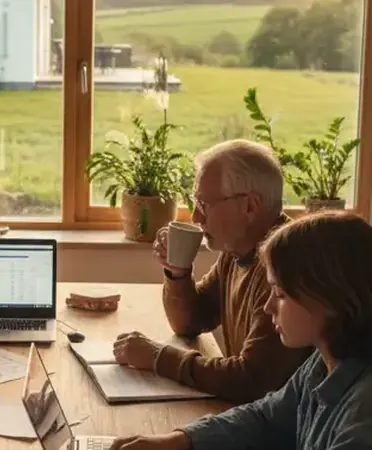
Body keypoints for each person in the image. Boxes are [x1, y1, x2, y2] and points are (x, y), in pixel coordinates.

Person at [109, 211, 372, 450]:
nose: (268, 307)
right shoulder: (323, 362)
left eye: (280, 294)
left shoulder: (362, 417)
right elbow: (266, 418)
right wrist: (178, 440)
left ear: (329, 299)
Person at [113, 139, 312, 403]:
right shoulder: (237, 252)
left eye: (204, 204)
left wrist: (158, 357)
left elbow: (251, 379)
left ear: (250, 206)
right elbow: (189, 322)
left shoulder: (287, 264)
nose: (196, 217)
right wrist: (178, 273)